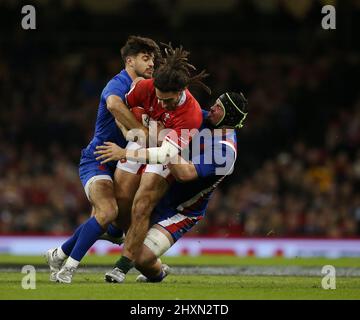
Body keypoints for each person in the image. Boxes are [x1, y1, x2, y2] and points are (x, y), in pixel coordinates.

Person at [50, 43, 210, 284]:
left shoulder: (192, 114)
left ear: (181, 92)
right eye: (159, 99)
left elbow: (165, 153)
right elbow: (119, 110)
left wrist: (125, 150)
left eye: (168, 102)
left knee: (142, 202)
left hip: (165, 151)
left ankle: (122, 266)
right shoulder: (146, 87)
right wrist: (130, 134)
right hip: (138, 140)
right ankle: (115, 234)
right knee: (118, 208)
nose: (162, 105)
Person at [45, 35, 161, 283]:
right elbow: (114, 106)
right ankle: (67, 268)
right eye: (145, 58)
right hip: (98, 158)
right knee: (107, 211)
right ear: (129, 61)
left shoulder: (148, 90)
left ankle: (58, 254)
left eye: (153, 59)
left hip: (125, 162)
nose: (152, 63)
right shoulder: (118, 84)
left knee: (109, 220)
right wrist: (142, 134)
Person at [100, 91, 248, 283]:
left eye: (219, 107)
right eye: (215, 102)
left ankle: (158, 272)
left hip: (183, 210)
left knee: (142, 259)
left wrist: (164, 142)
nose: (212, 107)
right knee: (133, 204)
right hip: (165, 188)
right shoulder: (200, 117)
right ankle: (119, 248)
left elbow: (184, 173)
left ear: (230, 116)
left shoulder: (225, 151)